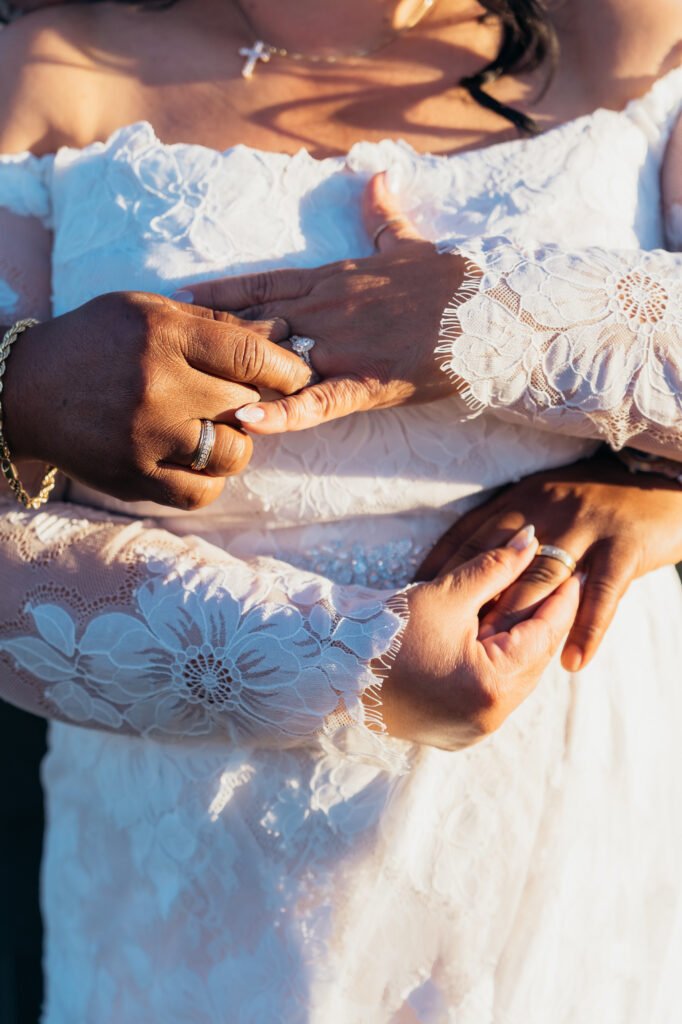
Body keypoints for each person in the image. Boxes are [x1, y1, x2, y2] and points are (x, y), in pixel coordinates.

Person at [0, 0, 680, 1020]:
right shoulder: (38, 66)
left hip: (573, 806)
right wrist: (341, 662)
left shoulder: (636, 33)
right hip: (205, 858)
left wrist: (479, 322)